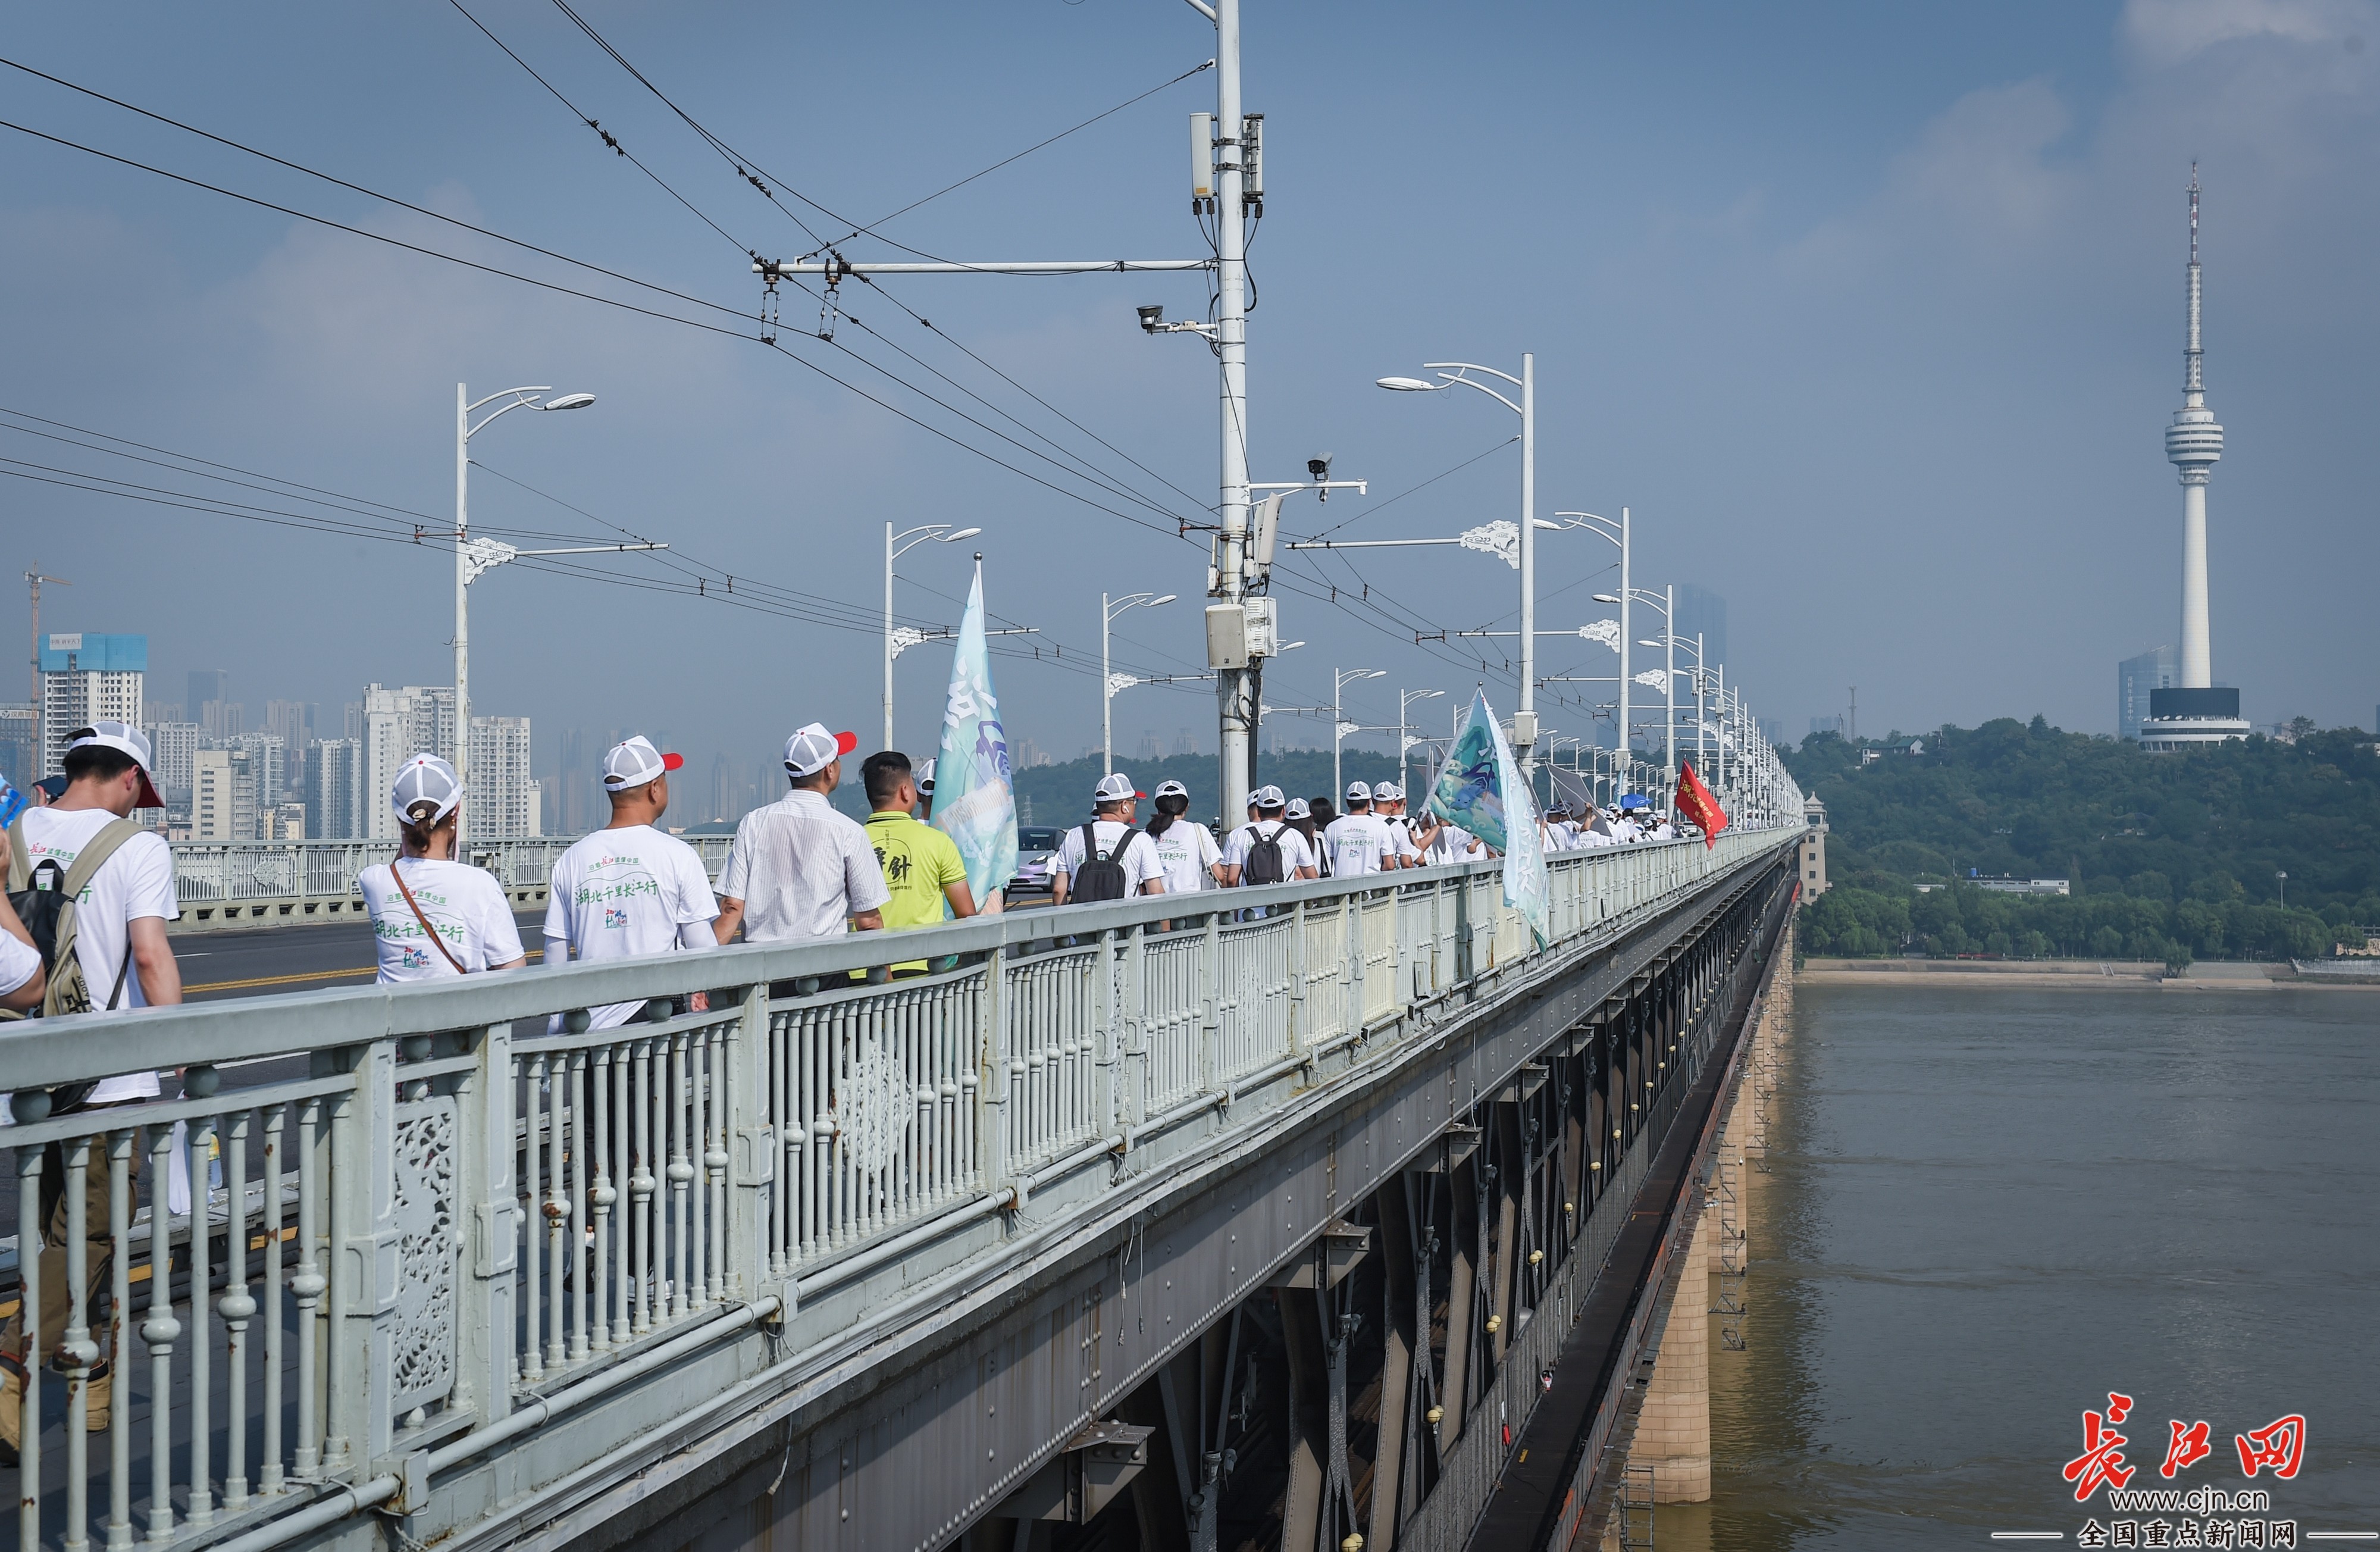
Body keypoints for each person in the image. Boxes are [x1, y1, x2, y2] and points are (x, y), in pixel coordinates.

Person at [1, 722, 183, 1457]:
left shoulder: (13, 832)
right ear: (131, 780)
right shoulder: (137, 846)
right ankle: (11, 1358)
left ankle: (91, 1387)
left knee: (50, 1237)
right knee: (93, 1237)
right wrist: (179, 1048)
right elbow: (149, 953)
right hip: (109, 1076)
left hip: (28, 1070)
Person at [543, 736, 719, 1027]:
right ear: (655, 789)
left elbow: (555, 953)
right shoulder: (678, 855)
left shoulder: (572, 859)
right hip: (655, 1023)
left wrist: (556, 1026)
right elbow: (703, 946)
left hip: (589, 1026)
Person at [359, 755, 528, 982]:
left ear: (401, 819)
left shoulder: (374, 882)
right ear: (455, 811)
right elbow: (513, 970)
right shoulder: (480, 885)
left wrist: (410, 831)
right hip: (461, 1016)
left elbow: (400, 865)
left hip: (392, 1018)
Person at [713, 724, 888, 944]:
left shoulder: (754, 823)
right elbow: (868, 921)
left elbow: (732, 907)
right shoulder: (849, 831)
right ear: (830, 770)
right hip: (824, 967)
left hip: (762, 966)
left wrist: (704, 968)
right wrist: (886, 975)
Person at [859, 750, 975, 972]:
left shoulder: (854, 840)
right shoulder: (937, 841)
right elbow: (967, 914)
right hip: (922, 967)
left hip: (862, 968)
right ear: (905, 792)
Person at [1052, 772, 1166, 904]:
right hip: (1124, 922)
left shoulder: (1074, 835)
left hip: (1082, 922)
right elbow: (1155, 892)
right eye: (1133, 801)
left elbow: (1059, 890)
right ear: (1124, 806)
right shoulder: (1141, 840)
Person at [1222, 785, 1317, 887]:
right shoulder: (1295, 836)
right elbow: (1313, 877)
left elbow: (1232, 879)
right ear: (1284, 811)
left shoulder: (1242, 836)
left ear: (1258, 811)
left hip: (1251, 901)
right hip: (1284, 900)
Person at [1144, 778, 1223, 894]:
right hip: (1191, 905)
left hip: (1157, 906)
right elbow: (1219, 875)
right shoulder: (1198, 831)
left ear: (1158, 808)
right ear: (1186, 807)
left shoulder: (1146, 834)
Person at [1323, 780, 1396, 878]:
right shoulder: (1381, 827)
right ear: (1369, 802)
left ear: (1347, 802)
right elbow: (1390, 865)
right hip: (1371, 889)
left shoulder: (1332, 827)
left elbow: (1328, 862)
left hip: (1341, 887)